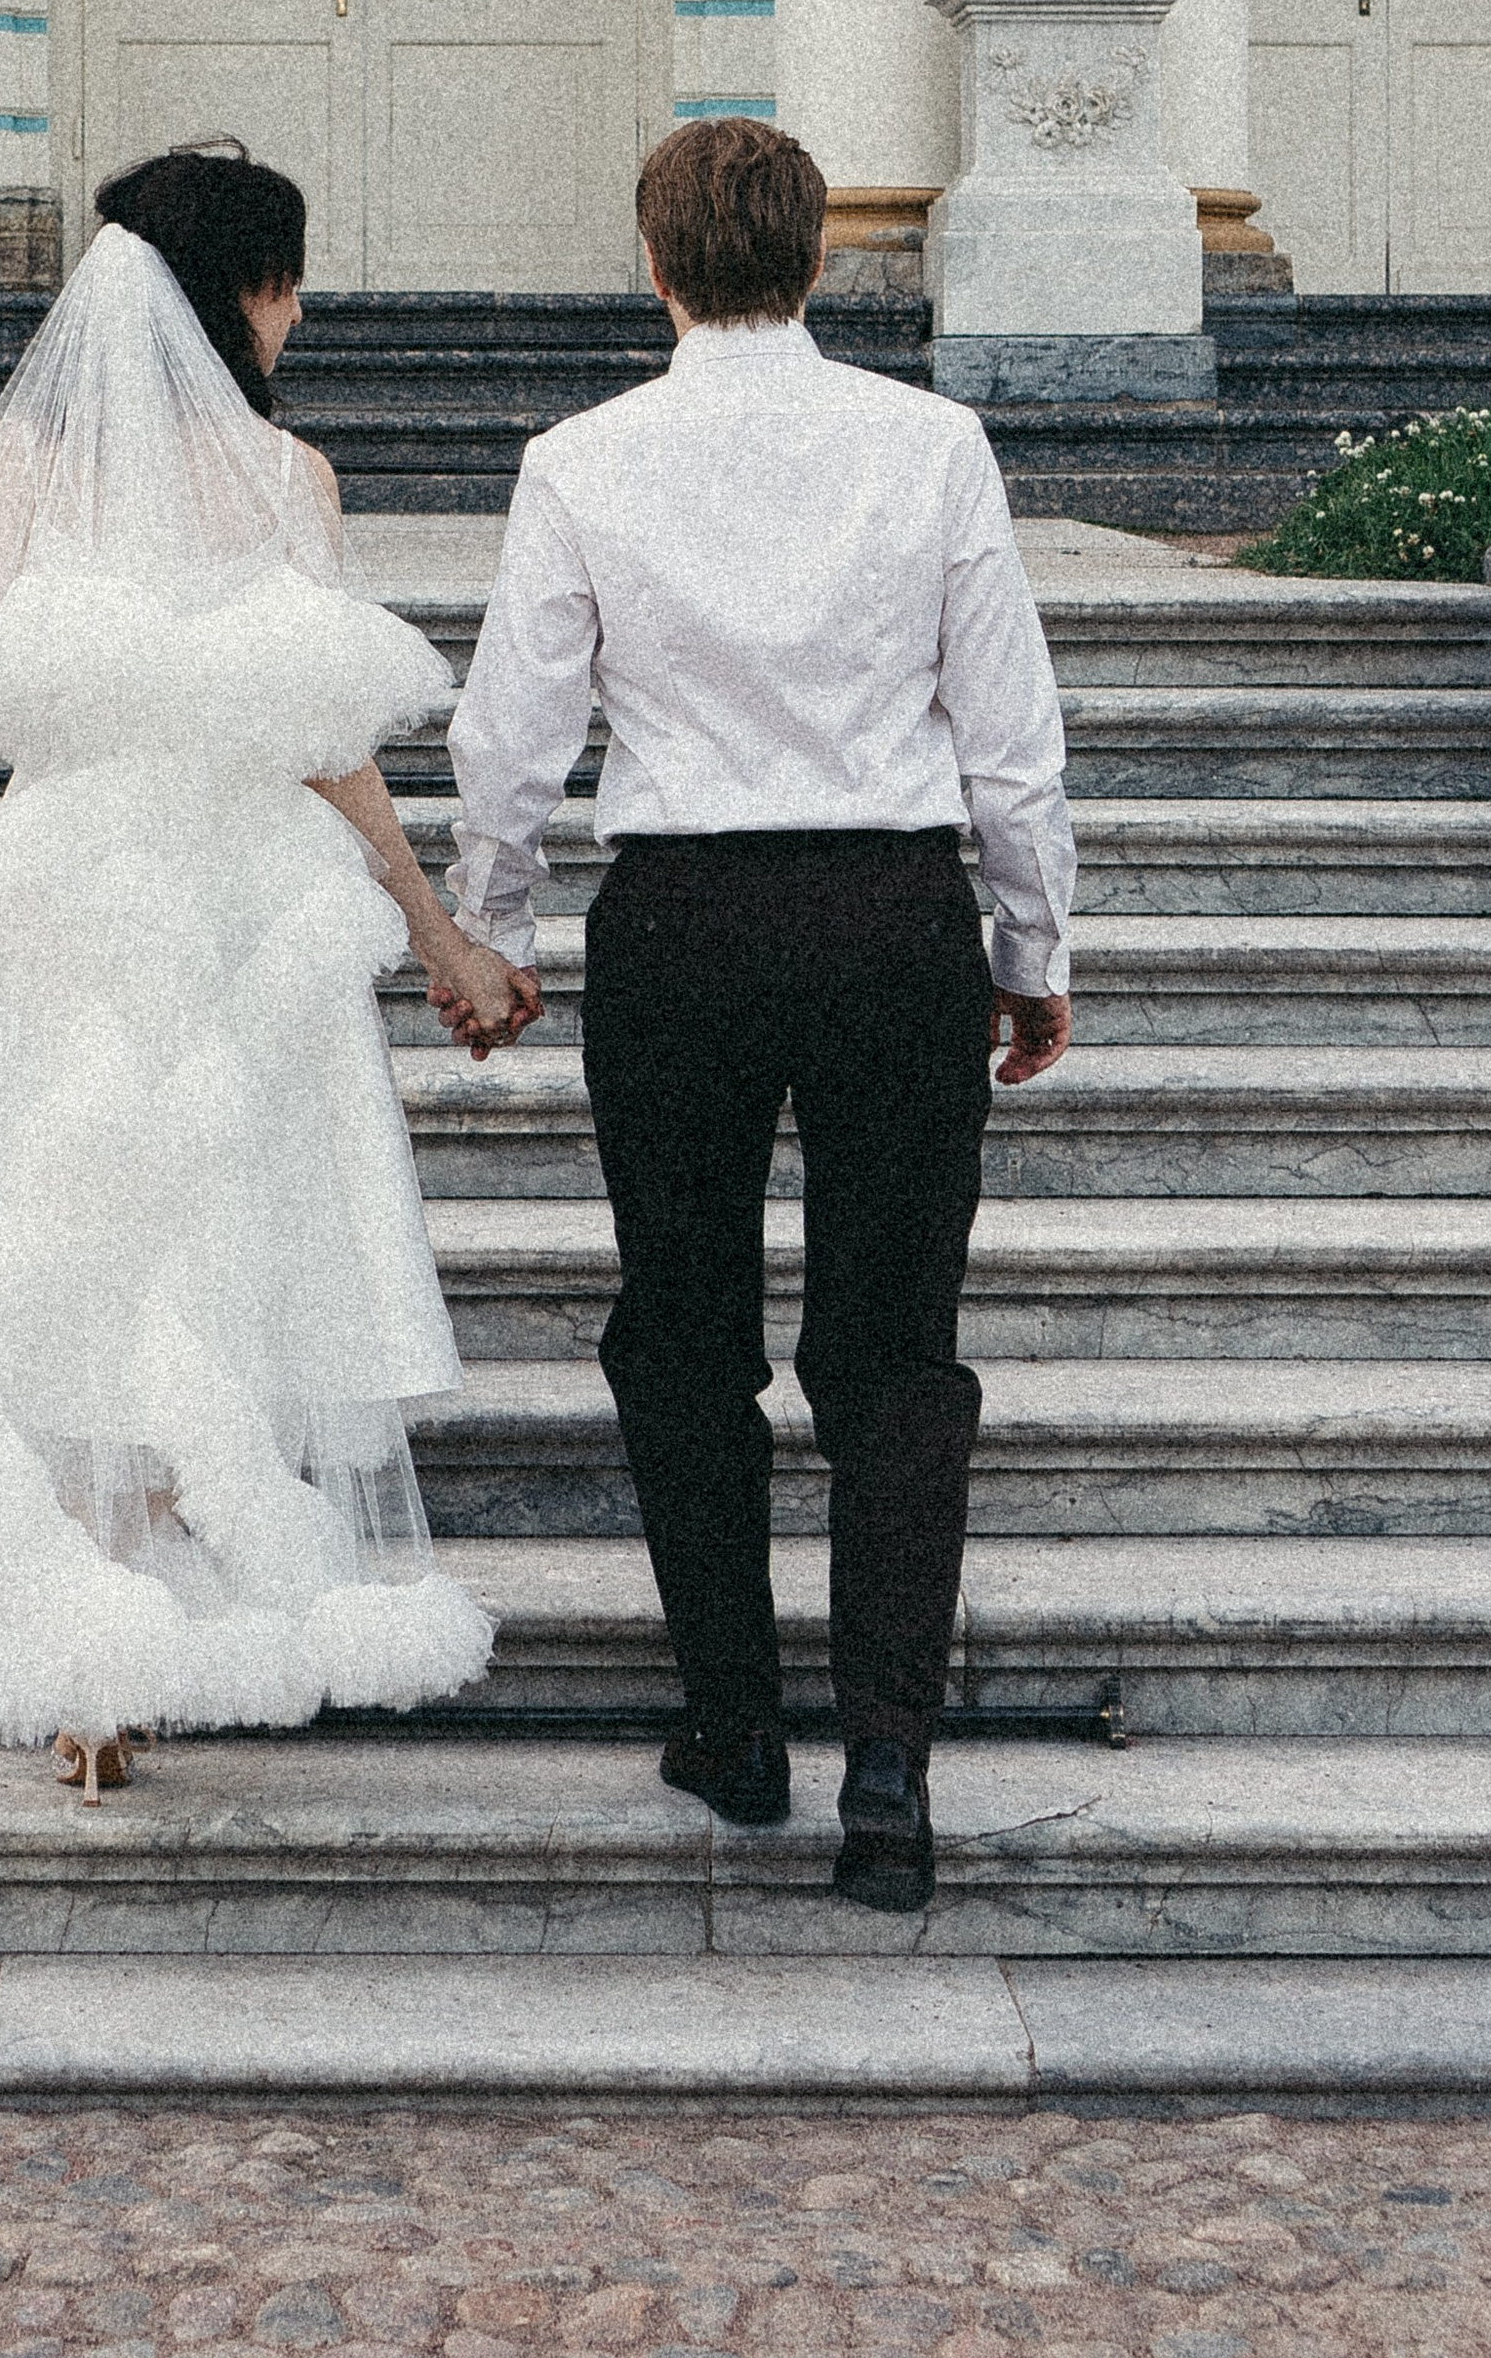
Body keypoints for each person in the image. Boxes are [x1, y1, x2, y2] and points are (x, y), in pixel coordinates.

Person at [0, 141, 522, 1798]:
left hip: (65, 889)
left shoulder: (18, 471)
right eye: (287, 278)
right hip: (239, 901)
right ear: (241, 290)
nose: (299, 308)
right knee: (215, 1251)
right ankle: (146, 1614)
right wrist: (433, 926)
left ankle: (92, 1663)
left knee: (67, 1245)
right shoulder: (288, 480)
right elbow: (329, 749)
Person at [440, 117, 1075, 1909]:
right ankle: (890, 1759)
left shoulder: (579, 461)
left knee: (686, 1331)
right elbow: (1007, 731)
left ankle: (736, 1724)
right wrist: (1032, 947)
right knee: (896, 1346)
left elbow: (512, 738)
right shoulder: (933, 445)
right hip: (890, 914)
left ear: (653, 267)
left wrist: (490, 926)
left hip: (685, 925)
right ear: (822, 263)